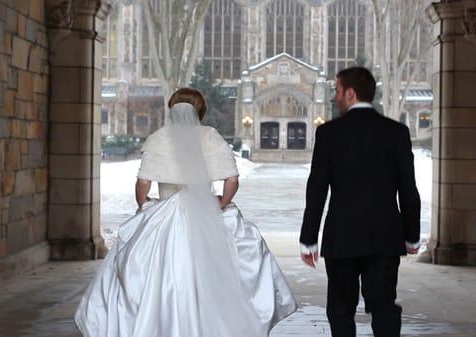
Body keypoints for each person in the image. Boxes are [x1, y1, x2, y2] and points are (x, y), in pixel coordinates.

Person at [75, 88, 297, 337]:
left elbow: (143, 183)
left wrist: (144, 207)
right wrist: (220, 204)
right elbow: (232, 179)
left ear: (172, 109)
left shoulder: (159, 138)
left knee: (153, 278)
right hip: (204, 211)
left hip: (165, 213)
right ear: (199, 111)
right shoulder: (211, 137)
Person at [299, 67, 421, 337]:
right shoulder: (396, 132)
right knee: (383, 306)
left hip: (342, 237)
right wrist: (412, 236)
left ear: (350, 93)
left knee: (341, 308)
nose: (335, 97)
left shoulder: (329, 133)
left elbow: (317, 189)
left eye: (338, 91)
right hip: (385, 236)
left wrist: (309, 238)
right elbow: (408, 190)